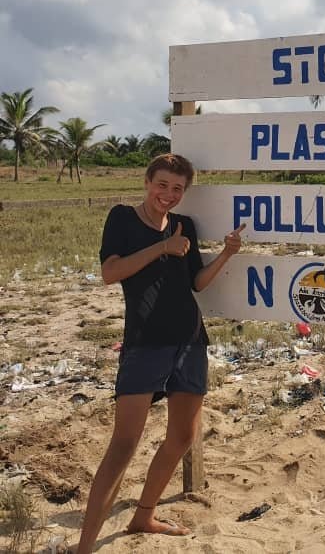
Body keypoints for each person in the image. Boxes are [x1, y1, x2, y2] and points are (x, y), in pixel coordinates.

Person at [77, 154, 245, 553]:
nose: (167, 195)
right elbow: (110, 273)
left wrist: (227, 254)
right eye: (162, 185)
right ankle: (84, 546)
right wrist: (162, 247)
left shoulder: (186, 226)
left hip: (189, 339)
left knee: (182, 435)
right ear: (148, 180)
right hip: (144, 342)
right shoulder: (122, 218)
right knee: (123, 444)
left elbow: (198, 284)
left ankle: (144, 515)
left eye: (177, 189)